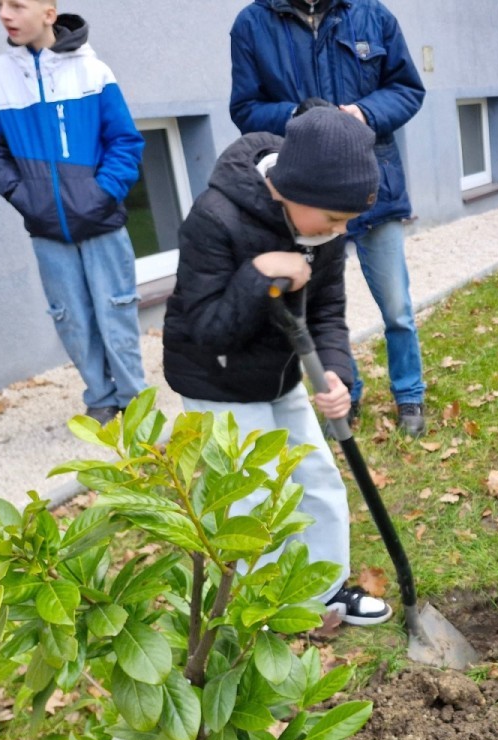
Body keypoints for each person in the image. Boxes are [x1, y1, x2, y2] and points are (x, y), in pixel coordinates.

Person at [162, 106, 393, 627]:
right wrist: (260, 273)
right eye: (333, 220)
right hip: (216, 381)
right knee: (255, 494)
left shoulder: (323, 229)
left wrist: (335, 371)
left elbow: (328, 310)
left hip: (280, 376)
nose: (340, 231)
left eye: (346, 222)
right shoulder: (214, 218)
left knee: (317, 476)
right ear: (290, 192)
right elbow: (208, 328)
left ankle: (325, 589)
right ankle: (262, 608)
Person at [228, 0, 428, 437]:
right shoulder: (252, 23)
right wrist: (300, 117)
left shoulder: (373, 15)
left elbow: (407, 89)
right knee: (323, 308)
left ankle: (409, 394)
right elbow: (245, 108)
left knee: (397, 307)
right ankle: (344, 393)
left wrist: (364, 113)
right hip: (305, 199)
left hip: (373, 188)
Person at [0, 0, 146, 426]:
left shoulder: (93, 71)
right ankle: (101, 398)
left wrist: (102, 193)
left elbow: (125, 142)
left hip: (102, 221)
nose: (5, 14)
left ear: (49, 14)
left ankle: (135, 402)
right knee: (71, 318)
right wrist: (22, 195)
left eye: (17, 5)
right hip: (46, 228)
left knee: (116, 311)